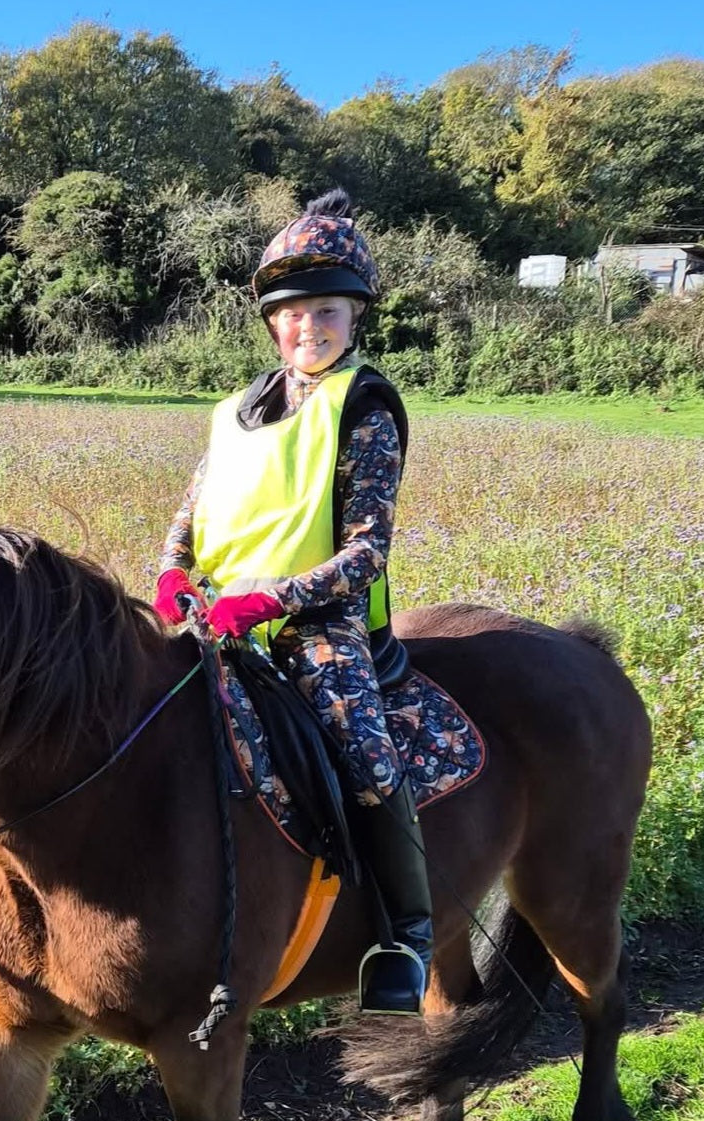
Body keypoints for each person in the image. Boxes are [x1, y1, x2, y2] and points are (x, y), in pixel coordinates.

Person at [152, 188, 433, 1015]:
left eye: (327, 312)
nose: (308, 327)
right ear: (272, 322)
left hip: (317, 628)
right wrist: (173, 576)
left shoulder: (366, 407)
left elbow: (364, 552)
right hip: (215, 623)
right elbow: (188, 520)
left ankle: (406, 937)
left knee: (368, 759)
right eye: (293, 313)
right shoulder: (234, 414)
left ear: (355, 318)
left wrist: (270, 599)